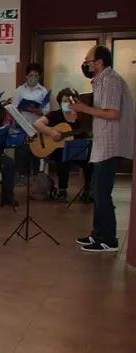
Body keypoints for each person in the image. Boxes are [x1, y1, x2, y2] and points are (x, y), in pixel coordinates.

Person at [70, 45, 135, 253]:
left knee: (102, 192)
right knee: (97, 191)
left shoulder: (110, 80)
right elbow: (98, 112)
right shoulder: (100, 82)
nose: (85, 64)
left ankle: (108, 239)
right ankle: (98, 234)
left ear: (99, 62)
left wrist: (83, 108)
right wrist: (82, 110)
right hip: (102, 144)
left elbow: (112, 113)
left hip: (111, 144)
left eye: (88, 60)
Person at [33, 88, 92, 201]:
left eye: (70, 101)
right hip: (57, 151)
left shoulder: (81, 117)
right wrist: (51, 132)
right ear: (60, 103)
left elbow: (87, 133)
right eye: (64, 101)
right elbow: (37, 123)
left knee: (90, 161)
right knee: (64, 157)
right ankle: (62, 190)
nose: (68, 104)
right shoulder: (55, 115)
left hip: (78, 151)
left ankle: (88, 191)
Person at [13, 63, 50, 178]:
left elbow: (47, 111)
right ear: (26, 76)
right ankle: (22, 176)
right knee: (22, 152)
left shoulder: (43, 91)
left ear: (39, 77)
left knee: (36, 152)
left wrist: (37, 110)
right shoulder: (19, 90)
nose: (33, 78)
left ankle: (36, 176)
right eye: (31, 75)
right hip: (23, 126)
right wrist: (23, 107)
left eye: (36, 75)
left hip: (37, 127)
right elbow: (14, 108)